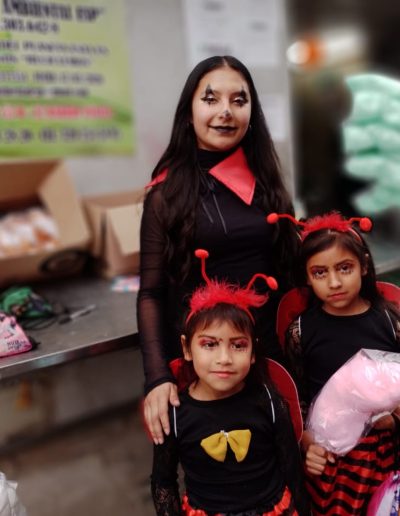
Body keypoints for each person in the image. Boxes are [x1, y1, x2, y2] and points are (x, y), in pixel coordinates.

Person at [137, 55, 298, 444]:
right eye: (211, 99)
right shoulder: (164, 195)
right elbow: (151, 293)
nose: (226, 111)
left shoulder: (268, 185)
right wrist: (157, 377)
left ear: (251, 113)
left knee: (286, 459)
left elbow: (289, 272)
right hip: (208, 367)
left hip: (269, 357)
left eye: (239, 100)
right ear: (189, 112)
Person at [150, 249, 310, 516]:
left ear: (253, 351)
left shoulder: (268, 399)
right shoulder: (175, 414)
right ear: (187, 348)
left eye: (238, 345)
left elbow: (291, 465)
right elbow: (163, 482)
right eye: (209, 344)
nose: (224, 359)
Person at [268, 211, 400, 515]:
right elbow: (297, 398)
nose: (334, 282)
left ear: (363, 265)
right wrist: (307, 443)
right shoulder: (301, 331)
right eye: (320, 273)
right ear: (306, 277)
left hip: (385, 453)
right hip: (332, 461)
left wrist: (394, 420)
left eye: (344, 268)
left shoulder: (389, 321)